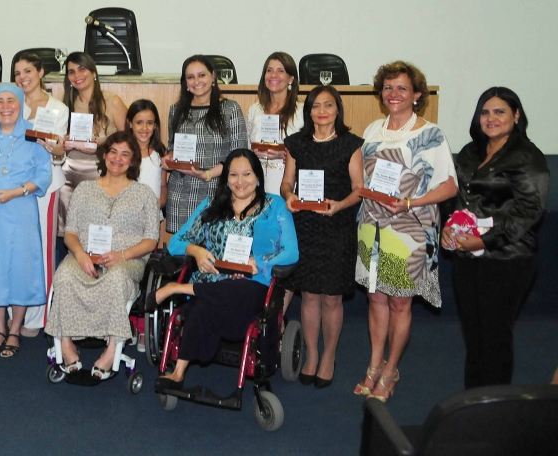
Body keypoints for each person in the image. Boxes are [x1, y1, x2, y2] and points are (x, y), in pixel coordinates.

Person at [354, 61, 457, 401]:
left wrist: (411, 202)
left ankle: (391, 370)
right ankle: (374, 364)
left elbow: (449, 186)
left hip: (410, 227)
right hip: (372, 225)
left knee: (399, 302)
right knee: (375, 297)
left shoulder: (431, 133)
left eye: (401, 88)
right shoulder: (373, 130)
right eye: (388, 87)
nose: (393, 93)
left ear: (417, 95)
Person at [154, 149, 298, 391]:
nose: (240, 181)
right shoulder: (212, 206)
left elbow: (291, 251)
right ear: (226, 178)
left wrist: (259, 261)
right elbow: (177, 241)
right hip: (214, 281)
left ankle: (177, 288)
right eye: (233, 175)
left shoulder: (275, 206)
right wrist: (196, 251)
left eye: (247, 174)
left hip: (255, 283)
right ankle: (178, 373)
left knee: (231, 290)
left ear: (258, 176)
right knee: (205, 303)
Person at [443, 87, 549, 389]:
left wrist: (484, 240)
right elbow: (457, 198)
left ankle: (495, 404)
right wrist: (448, 227)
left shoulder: (527, 157)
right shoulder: (470, 151)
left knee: (495, 336)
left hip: (508, 258)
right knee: (473, 334)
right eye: (485, 112)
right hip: (467, 256)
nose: (491, 118)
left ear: (516, 115)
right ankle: (473, 400)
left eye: (499, 111)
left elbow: (529, 211)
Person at [45, 131, 161, 383]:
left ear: (133, 161)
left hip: (127, 260)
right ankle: (66, 342)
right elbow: (70, 233)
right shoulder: (84, 189)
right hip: (85, 255)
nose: (117, 158)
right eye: (113, 152)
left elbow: (152, 239)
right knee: (63, 275)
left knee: (116, 279)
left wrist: (122, 255)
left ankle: (111, 348)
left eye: (125, 154)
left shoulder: (144, 194)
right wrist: (80, 255)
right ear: (104, 155)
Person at [280, 86, 364, 388]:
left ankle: (329, 355)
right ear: (309, 111)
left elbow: (359, 189)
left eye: (328, 105)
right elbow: (286, 183)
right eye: (316, 106)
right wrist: (289, 197)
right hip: (305, 227)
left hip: (337, 227)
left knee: (331, 297)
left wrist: (338, 205)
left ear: (337, 109)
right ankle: (312, 355)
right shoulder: (296, 143)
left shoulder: (351, 144)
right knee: (309, 295)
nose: (322, 111)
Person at [0, 84, 53, 357]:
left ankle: (15, 330)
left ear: (20, 104)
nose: (6, 106)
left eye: (11, 100)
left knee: (20, 268)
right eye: (0, 101)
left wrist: (15, 192)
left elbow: (44, 174)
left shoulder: (34, 133)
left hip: (21, 210)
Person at [13, 52, 69, 337]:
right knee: (15, 250)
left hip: (44, 188)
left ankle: (38, 317)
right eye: (17, 73)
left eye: (28, 71)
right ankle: (14, 313)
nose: (23, 77)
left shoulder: (59, 108)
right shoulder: (11, 102)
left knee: (43, 252)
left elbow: (58, 153)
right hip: (13, 187)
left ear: (41, 72)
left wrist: (58, 151)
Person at [163, 55, 248, 235]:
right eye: (190, 77)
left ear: (213, 76)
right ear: (185, 82)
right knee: (182, 249)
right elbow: (172, 147)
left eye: (201, 75)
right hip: (180, 192)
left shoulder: (230, 109)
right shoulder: (175, 110)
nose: (196, 81)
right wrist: (169, 157)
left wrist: (207, 174)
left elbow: (239, 157)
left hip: (215, 191)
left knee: (213, 245)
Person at [57, 52, 128, 259]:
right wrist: (64, 141)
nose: (77, 75)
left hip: (101, 175)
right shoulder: (66, 104)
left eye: (82, 69)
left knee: (98, 232)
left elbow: (127, 140)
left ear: (93, 72)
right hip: (69, 176)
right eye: (71, 72)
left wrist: (102, 144)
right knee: (67, 233)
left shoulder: (112, 101)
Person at [246, 52, 304, 195]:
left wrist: (283, 154)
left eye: (280, 71)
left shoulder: (302, 111)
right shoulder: (255, 110)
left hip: (287, 184)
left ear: (291, 78)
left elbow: (310, 152)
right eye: (269, 70)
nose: (273, 75)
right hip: (256, 183)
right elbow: (246, 147)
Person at [126, 99, 167, 210]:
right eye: (139, 122)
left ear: (155, 125)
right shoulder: (124, 152)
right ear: (130, 123)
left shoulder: (160, 152)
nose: (144, 128)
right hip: (128, 212)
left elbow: (163, 185)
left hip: (153, 212)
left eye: (150, 123)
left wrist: (161, 202)